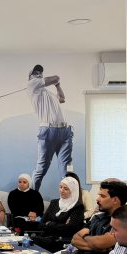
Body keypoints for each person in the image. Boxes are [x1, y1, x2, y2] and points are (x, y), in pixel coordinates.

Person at [27, 64, 73, 192]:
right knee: (41, 169)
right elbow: (56, 77)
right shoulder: (32, 85)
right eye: (35, 73)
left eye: (40, 72)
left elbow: (62, 99)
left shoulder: (49, 93)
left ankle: (70, 197)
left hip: (65, 131)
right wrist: (56, 81)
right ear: (30, 77)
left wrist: (57, 86)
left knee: (67, 168)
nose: (38, 74)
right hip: (48, 131)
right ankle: (32, 197)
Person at [70, 180, 127, 254]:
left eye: (102, 196)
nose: (97, 199)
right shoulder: (97, 217)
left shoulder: (124, 221)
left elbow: (101, 243)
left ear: (115, 200)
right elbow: (75, 239)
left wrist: (85, 237)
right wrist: (96, 247)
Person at [32, 176, 85, 253]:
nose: (62, 190)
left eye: (66, 189)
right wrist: (61, 224)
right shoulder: (54, 202)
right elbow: (41, 224)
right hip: (46, 236)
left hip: (61, 240)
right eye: (60, 187)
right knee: (28, 241)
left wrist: (49, 223)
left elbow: (70, 229)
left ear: (73, 190)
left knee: (33, 241)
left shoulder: (77, 207)